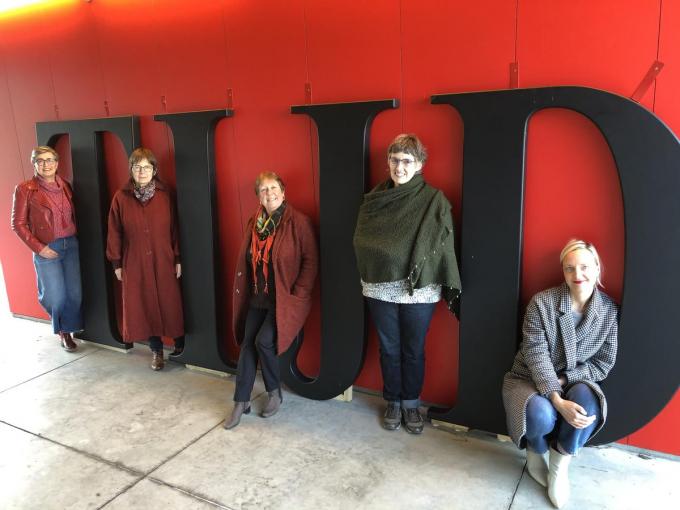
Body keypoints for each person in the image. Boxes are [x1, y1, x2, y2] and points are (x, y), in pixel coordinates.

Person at [353, 134, 462, 435]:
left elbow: (441, 244)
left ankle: (411, 403)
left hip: (421, 289)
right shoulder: (374, 200)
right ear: (387, 162)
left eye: (406, 161)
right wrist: (390, 257)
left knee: (413, 349)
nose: (399, 167)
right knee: (389, 348)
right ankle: (393, 402)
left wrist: (403, 258)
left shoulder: (433, 200)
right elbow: (362, 241)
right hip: (379, 288)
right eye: (394, 160)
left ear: (419, 164)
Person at [502, 239, 619, 508]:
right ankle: (536, 451)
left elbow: (603, 362)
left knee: (588, 404)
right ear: (563, 272)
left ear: (597, 268)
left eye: (584, 267)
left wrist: (566, 381)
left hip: (575, 378)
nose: (578, 275)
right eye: (570, 269)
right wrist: (557, 399)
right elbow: (535, 354)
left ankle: (559, 465)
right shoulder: (542, 303)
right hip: (529, 377)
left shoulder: (609, 312)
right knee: (540, 415)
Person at [224, 171, 318, 430]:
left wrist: (299, 293)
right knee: (247, 344)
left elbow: (310, 261)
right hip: (258, 296)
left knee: (263, 341)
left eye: (273, 188)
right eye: (263, 190)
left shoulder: (298, 222)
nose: (269, 193)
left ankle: (274, 392)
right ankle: (241, 400)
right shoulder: (253, 222)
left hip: (285, 299)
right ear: (258, 196)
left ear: (283, 192)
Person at [106, 148, 184, 371]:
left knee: (170, 301)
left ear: (154, 170)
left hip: (164, 256)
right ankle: (156, 350)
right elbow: (114, 231)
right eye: (137, 167)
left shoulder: (166, 194)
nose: (142, 171)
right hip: (134, 259)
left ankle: (180, 345)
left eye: (146, 167)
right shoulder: (121, 197)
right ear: (131, 169)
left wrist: (177, 256)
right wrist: (117, 263)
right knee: (144, 303)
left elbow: (175, 228)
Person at [11, 146, 82, 352]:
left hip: (72, 245)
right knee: (55, 295)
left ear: (57, 163)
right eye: (40, 161)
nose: (46, 164)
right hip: (47, 247)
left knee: (75, 294)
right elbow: (18, 224)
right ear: (34, 164)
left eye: (50, 160)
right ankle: (63, 332)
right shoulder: (25, 189)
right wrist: (39, 248)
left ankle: (68, 327)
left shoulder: (65, 186)